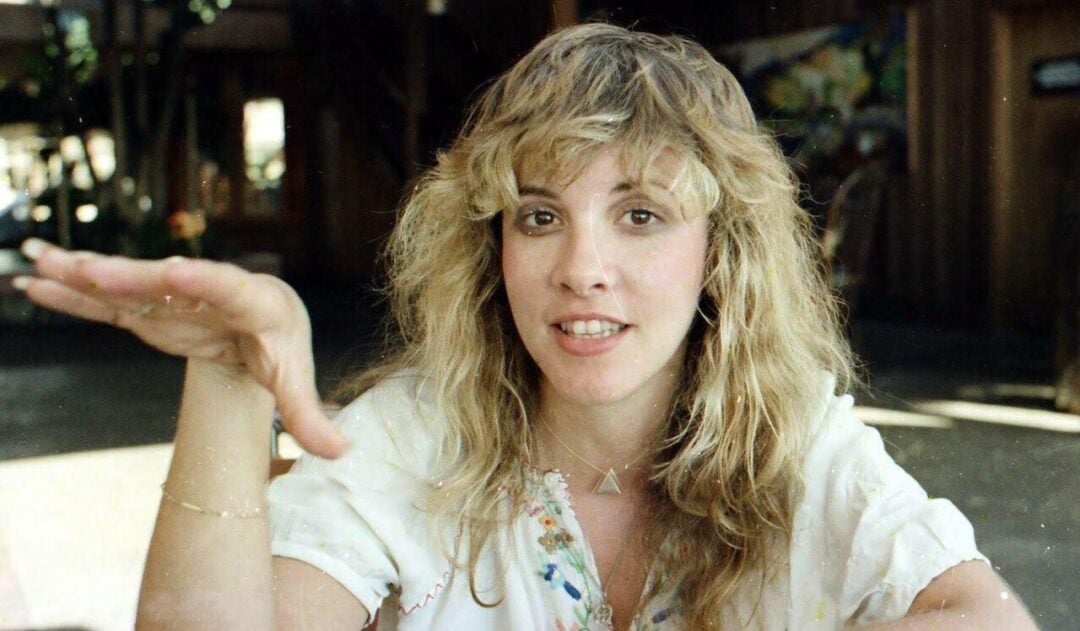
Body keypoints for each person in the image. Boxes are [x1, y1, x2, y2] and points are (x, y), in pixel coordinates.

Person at [15, 23, 1035, 631]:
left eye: (641, 214)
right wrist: (234, 378)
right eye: (539, 214)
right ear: (492, 246)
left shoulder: (802, 444)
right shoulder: (411, 440)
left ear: (719, 251)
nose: (580, 266)